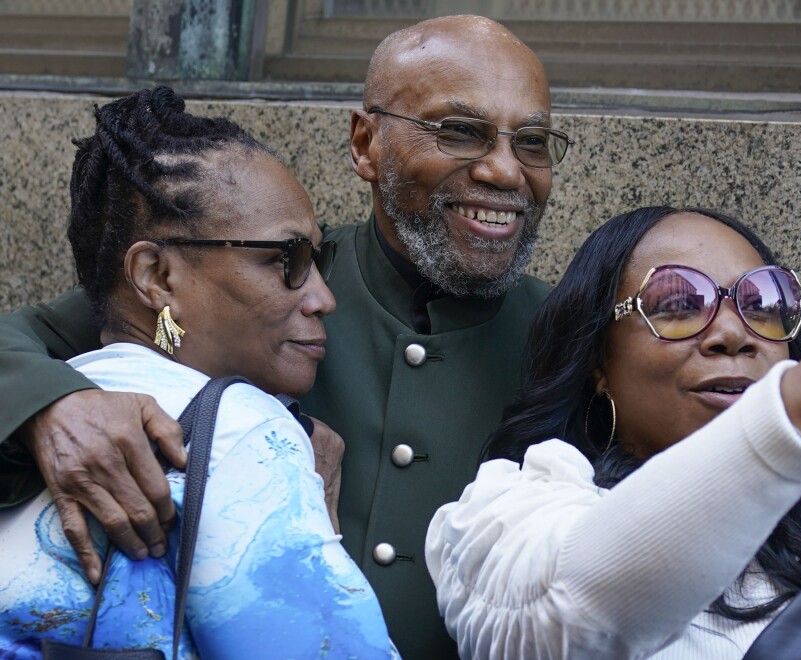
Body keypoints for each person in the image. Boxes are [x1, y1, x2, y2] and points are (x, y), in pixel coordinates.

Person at [0, 15, 570, 657]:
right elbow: (66, 327)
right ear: (366, 143)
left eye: (533, 142)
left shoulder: (572, 336)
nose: (504, 171)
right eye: (461, 132)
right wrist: (53, 406)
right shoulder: (269, 275)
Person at [0, 87, 398, 658]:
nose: (323, 297)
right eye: (285, 260)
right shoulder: (239, 432)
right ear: (157, 277)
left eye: (318, 259)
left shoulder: (51, 401)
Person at [425, 206, 801, 659]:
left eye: (760, 302)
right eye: (679, 304)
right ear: (598, 362)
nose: (732, 334)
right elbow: (557, 619)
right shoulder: (507, 513)